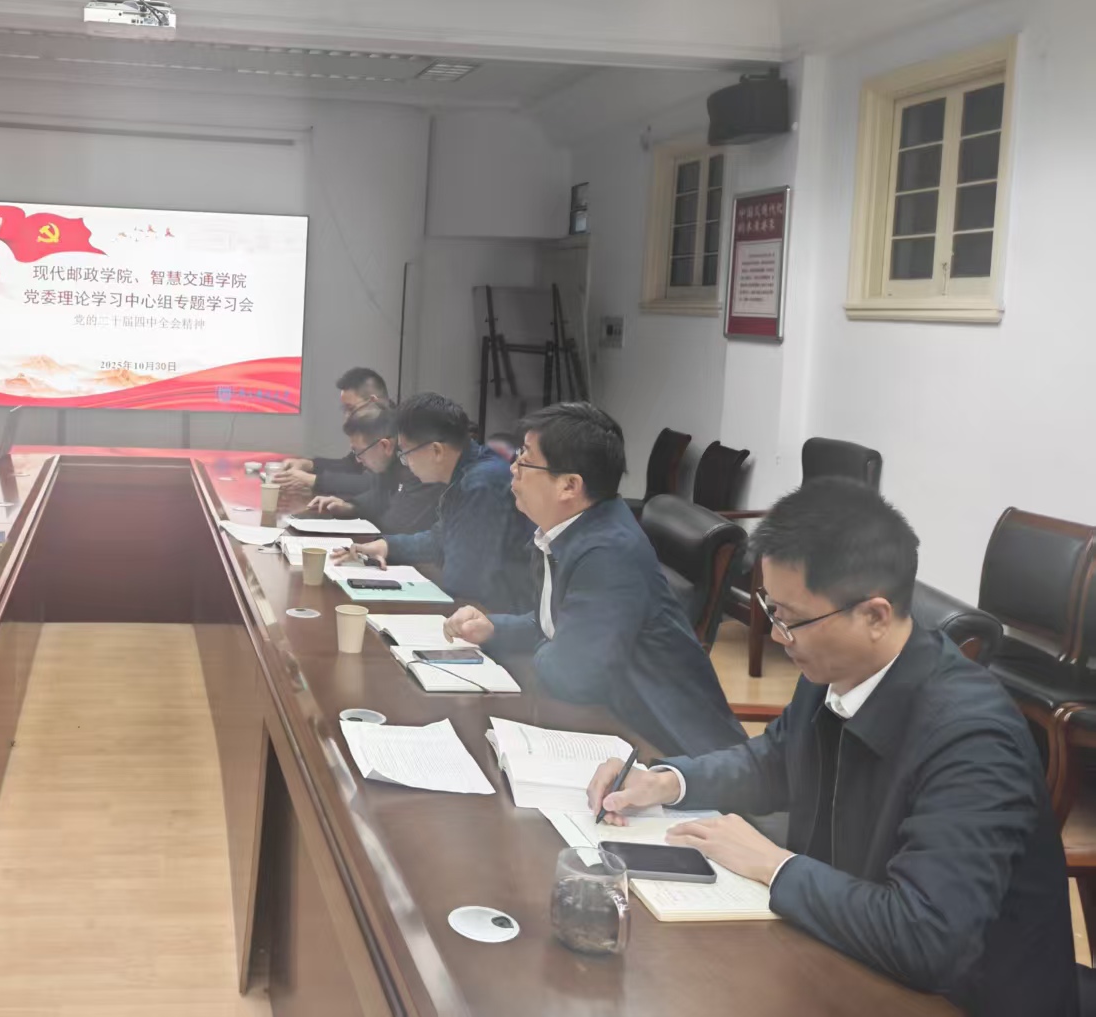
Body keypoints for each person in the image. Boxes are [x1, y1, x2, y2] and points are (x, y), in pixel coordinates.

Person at [586, 479, 1077, 1016]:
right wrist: (669, 781)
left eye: (791, 619)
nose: (779, 636)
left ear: (875, 616)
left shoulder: (974, 739)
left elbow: (929, 938)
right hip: (841, 956)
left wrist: (775, 866)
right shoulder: (836, 668)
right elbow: (776, 760)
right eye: (772, 610)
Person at [443, 402, 744, 756]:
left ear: (569, 486)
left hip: (670, 752)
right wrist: (493, 628)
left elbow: (572, 675)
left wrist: (554, 648)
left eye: (525, 459)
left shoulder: (607, 554)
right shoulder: (572, 531)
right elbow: (556, 627)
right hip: (615, 725)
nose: (513, 468)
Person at [335, 392, 530, 613]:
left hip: (499, 613)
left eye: (406, 453)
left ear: (436, 450)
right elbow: (441, 537)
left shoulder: (480, 484)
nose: (406, 463)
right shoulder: (469, 470)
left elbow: (463, 581)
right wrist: (386, 546)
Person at [303, 402, 444, 536]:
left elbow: (394, 526)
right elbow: (377, 497)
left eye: (359, 452)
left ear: (385, 446)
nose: (358, 459)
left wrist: (359, 513)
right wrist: (349, 507)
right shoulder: (388, 462)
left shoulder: (419, 467)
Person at [273, 367, 389, 499]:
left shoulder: (397, 431)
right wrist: (308, 465)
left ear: (373, 401)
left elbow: (374, 484)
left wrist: (312, 480)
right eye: (344, 409)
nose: (347, 416)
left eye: (351, 408)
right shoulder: (373, 426)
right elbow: (350, 465)